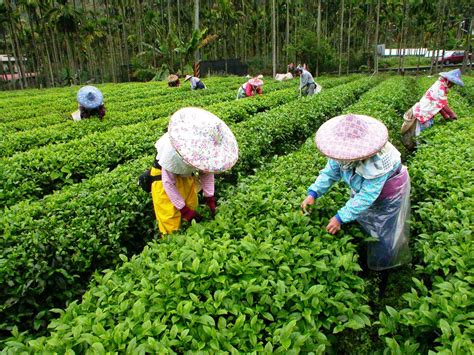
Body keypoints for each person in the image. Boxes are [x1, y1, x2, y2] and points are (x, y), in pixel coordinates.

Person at [301, 113, 411, 295]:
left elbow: (367, 196)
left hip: (389, 195)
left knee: (383, 234)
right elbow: (330, 172)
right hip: (363, 190)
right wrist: (313, 193)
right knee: (366, 225)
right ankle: (366, 258)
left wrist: (339, 217)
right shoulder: (341, 152)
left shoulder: (377, 162)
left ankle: (382, 272)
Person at [150, 107, 239, 235]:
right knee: (170, 218)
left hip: (185, 175)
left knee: (192, 204)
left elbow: (207, 170)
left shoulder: (206, 147)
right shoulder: (174, 149)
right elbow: (168, 183)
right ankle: (170, 246)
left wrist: (210, 198)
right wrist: (184, 210)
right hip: (163, 178)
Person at [401, 69, 464, 150]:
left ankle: (417, 149)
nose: (452, 86)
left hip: (425, 113)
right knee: (420, 136)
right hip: (423, 113)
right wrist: (453, 115)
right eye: (452, 84)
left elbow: (438, 105)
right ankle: (418, 151)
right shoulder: (441, 87)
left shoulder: (441, 84)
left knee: (421, 135)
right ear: (448, 81)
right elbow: (443, 105)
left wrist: (446, 116)